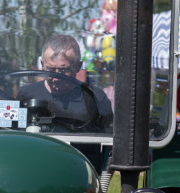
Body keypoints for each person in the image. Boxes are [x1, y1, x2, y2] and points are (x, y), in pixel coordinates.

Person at [17, 35, 114, 170]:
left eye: (64, 70)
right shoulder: (24, 95)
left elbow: (109, 140)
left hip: (80, 173)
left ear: (78, 66)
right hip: (32, 169)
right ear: (42, 63)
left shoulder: (94, 98)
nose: (56, 77)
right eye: (51, 69)